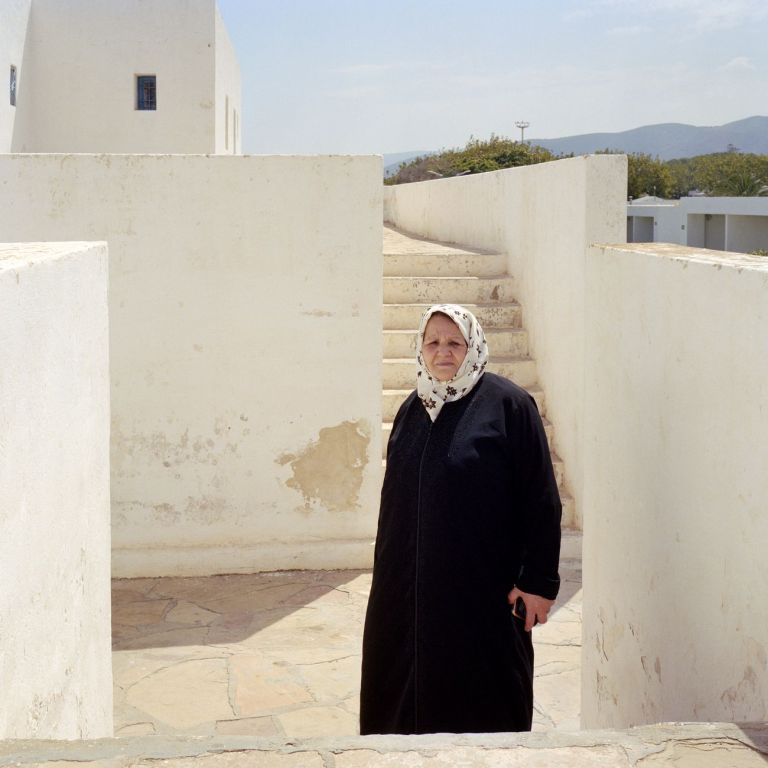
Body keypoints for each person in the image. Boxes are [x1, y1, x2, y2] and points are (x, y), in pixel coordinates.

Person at [360, 303, 561, 735]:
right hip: (404, 597)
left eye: (455, 341)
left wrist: (539, 583)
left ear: (473, 346)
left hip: (480, 598)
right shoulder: (414, 408)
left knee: (480, 707)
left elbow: (541, 500)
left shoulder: (509, 406)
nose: (443, 351)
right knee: (401, 710)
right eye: (432, 341)